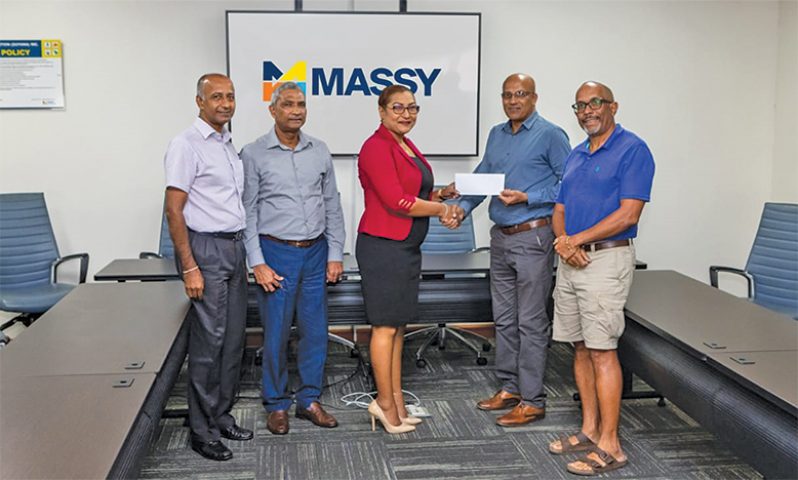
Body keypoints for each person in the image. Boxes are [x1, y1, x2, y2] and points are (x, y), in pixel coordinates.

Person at [548, 81, 655, 476]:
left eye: (595, 103)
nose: (587, 111)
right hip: (571, 260)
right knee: (579, 346)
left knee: (602, 350)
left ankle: (612, 444)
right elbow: (560, 207)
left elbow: (628, 215)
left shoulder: (633, 150)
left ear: (613, 106)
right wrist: (565, 242)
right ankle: (590, 430)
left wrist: (575, 240)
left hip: (606, 262)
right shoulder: (576, 154)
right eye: (580, 105)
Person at [455, 73, 570, 426]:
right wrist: (460, 207)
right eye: (507, 95)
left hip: (533, 236)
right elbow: (482, 177)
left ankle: (533, 399)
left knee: (531, 320)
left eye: (520, 94)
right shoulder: (496, 134)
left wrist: (528, 196)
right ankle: (510, 387)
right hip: (501, 237)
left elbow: (570, 184)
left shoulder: (551, 134)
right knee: (504, 318)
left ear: (534, 98)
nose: (513, 101)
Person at [240, 82, 345, 435]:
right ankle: (276, 403)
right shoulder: (254, 153)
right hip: (275, 253)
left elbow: (332, 204)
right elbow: (247, 212)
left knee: (315, 332)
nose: (296, 110)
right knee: (277, 334)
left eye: (301, 104)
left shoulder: (320, 150)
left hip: (315, 253)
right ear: (273, 110)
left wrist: (335, 253)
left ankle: (310, 400)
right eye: (288, 104)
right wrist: (257, 261)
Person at [356, 84, 462, 434]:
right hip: (383, 248)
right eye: (398, 108)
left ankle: (396, 401)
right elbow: (396, 202)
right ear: (381, 111)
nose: (406, 114)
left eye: (413, 108)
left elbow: (414, 191)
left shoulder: (403, 144)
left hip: (405, 248)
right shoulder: (375, 147)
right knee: (384, 327)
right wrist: (444, 208)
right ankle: (383, 404)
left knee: (398, 327)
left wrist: (440, 192)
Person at [164, 73, 253, 461]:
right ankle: (200, 430)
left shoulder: (227, 145)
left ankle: (219, 415)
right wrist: (189, 267)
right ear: (199, 101)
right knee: (207, 345)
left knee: (233, 341)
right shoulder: (186, 145)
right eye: (216, 97)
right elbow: (173, 209)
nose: (225, 103)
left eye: (230, 96)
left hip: (234, 249)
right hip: (206, 250)